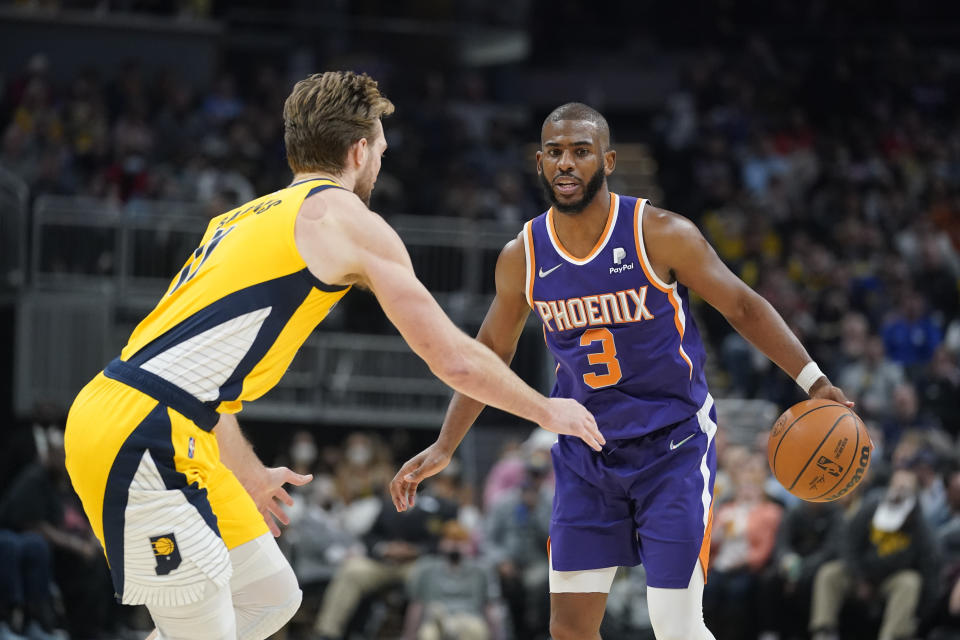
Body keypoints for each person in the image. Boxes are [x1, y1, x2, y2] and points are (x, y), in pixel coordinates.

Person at [63, 72, 603, 640]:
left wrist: (247, 470)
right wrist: (549, 410)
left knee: (270, 596)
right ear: (359, 150)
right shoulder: (347, 220)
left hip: (166, 417)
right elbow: (454, 358)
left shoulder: (240, 218)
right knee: (206, 630)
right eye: (381, 152)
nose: (381, 165)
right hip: (142, 431)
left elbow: (193, 373)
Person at [390, 102, 851, 640]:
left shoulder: (660, 232)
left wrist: (814, 380)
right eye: (556, 153)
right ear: (539, 162)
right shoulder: (523, 256)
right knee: (569, 629)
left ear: (607, 162)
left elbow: (744, 307)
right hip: (587, 453)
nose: (567, 163)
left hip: (672, 447)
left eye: (581, 152)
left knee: (675, 624)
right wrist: (446, 446)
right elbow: (489, 353)